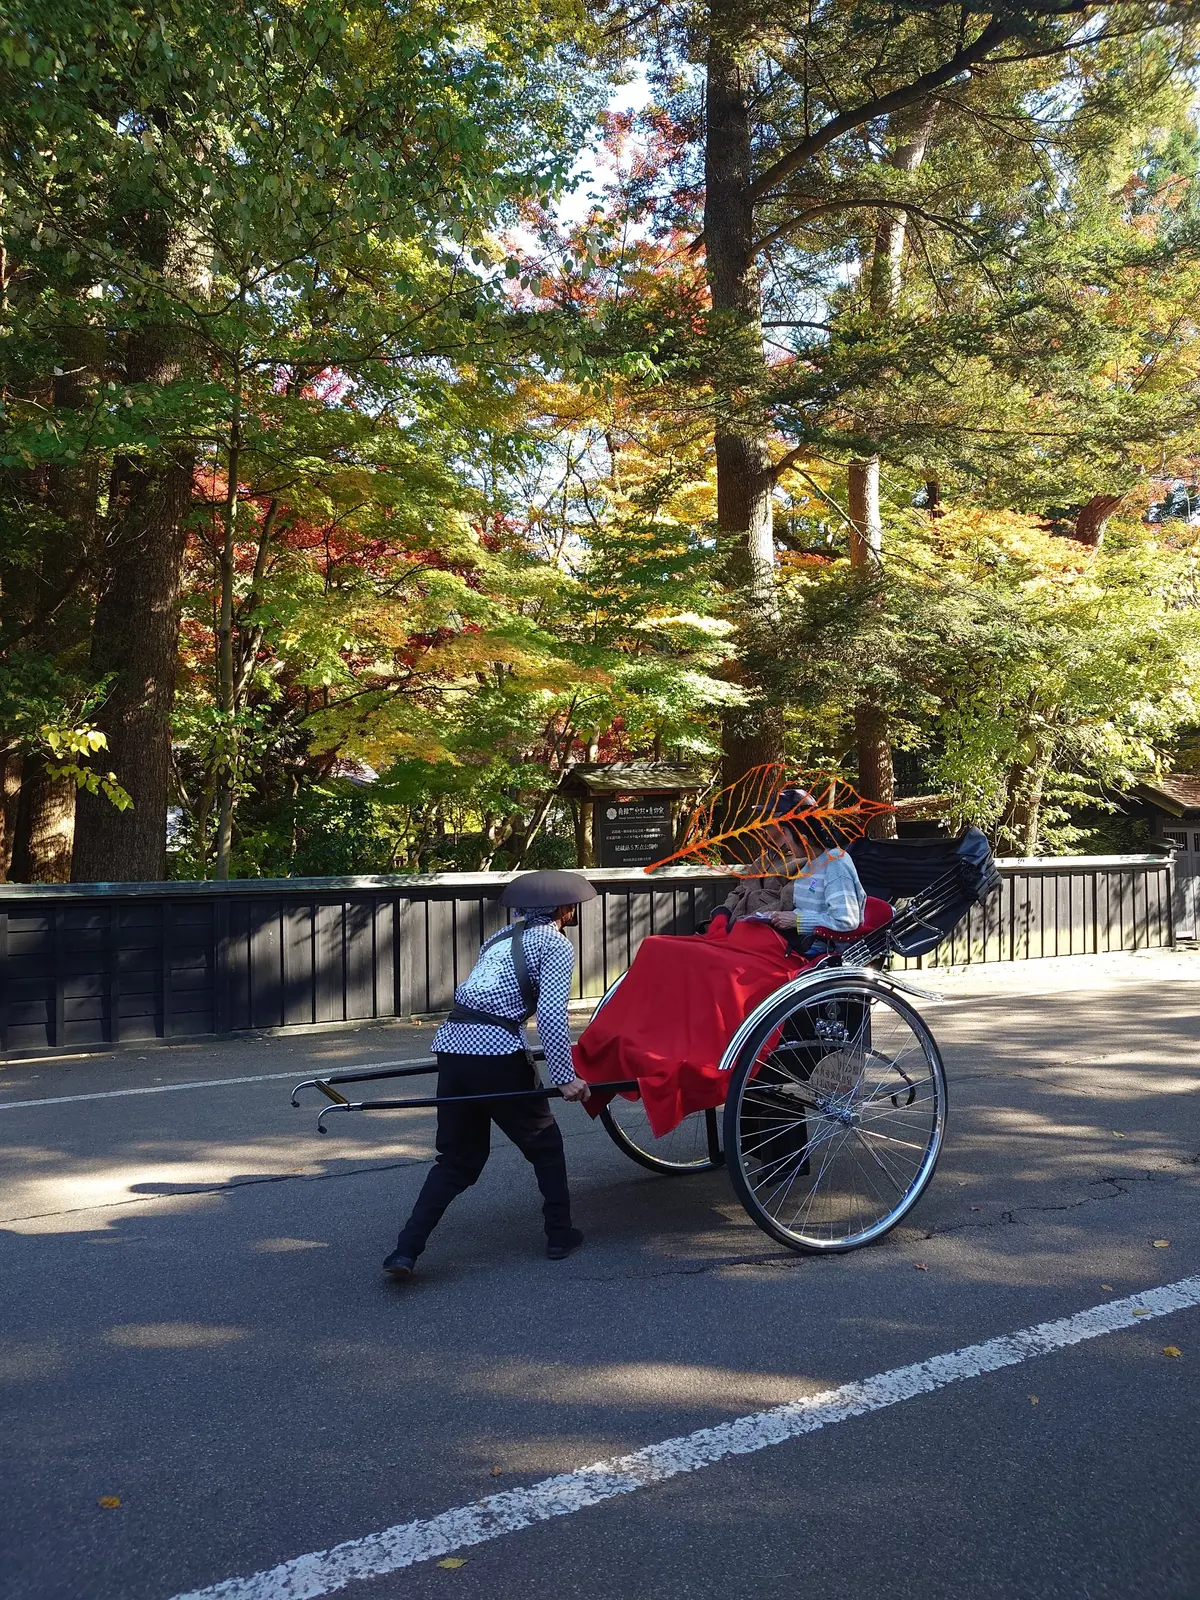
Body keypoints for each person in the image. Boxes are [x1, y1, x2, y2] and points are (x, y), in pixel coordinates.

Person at [382, 870, 596, 1281]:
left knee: (457, 1160)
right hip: (496, 1053)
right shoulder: (555, 944)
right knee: (545, 1146)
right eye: (571, 906)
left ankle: (405, 1250)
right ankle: (559, 1234)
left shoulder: (499, 937)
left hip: (453, 1047)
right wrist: (565, 1076)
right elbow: (551, 1014)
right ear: (563, 908)